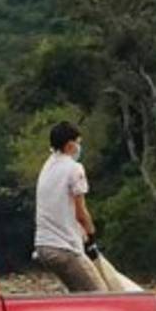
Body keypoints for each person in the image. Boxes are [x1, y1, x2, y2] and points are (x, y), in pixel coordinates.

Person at [33, 121, 104, 293]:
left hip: (43, 246)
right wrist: (92, 234)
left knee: (78, 295)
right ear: (70, 145)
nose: (79, 147)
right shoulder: (74, 169)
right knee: (100, 296)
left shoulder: (47, 166)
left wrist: (82, 235)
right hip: (64, 247)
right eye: (78, 142)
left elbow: (62, 209)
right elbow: (80, 212)